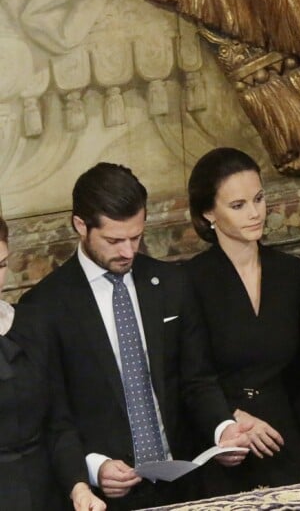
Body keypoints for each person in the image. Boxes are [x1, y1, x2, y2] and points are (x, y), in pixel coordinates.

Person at [20, 163, 250, 511]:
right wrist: (93, 468)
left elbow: (197, 380)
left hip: (186, 486)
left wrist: (222, 430)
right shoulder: (45, 306)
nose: (128, 252)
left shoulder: (171, 284)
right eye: (114, 240)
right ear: (80, 226)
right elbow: (53, 415)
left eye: (136, 237)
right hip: (103, 498)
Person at [186, 147, 300, 496]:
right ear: (208, 212)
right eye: (238, 205)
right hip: (226, 443)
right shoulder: (188, 282)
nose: (255, 213)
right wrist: (232, 419)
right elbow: (190, 376)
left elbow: (297, 369)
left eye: (258, 199)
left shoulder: (289, 273)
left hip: (282, 437)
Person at [0, 216, 106, 510]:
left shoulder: (32, 323)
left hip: (46, 494)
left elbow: (59, 423)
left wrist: (79, 487)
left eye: (0, 266)